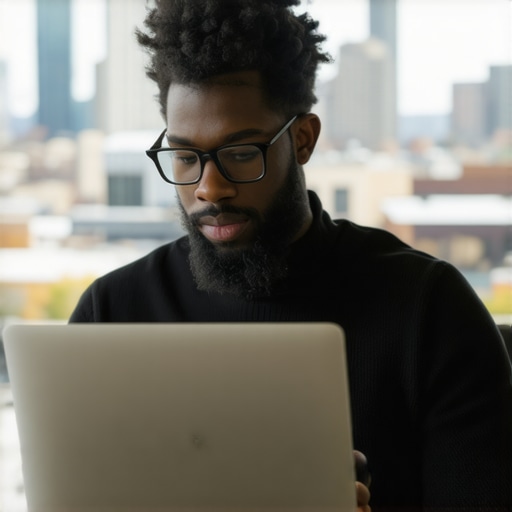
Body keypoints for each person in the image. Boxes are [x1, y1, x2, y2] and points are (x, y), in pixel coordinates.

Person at [70, 0, 512, 510]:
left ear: (302, 140)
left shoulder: (429, 309)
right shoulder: (112, 313)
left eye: (240, 154)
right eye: (187, 157)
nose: (209, 189)